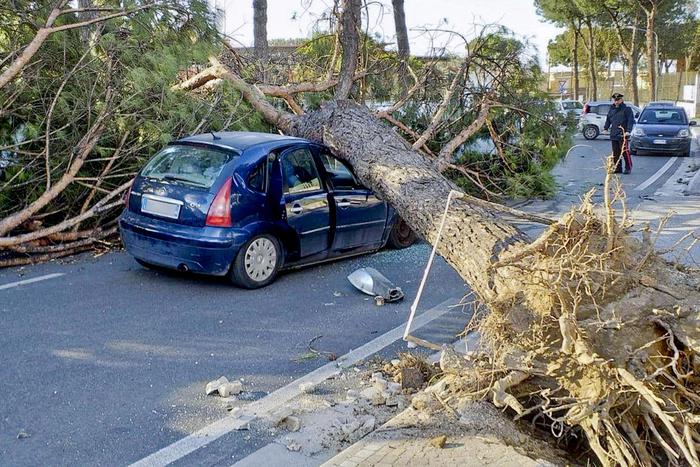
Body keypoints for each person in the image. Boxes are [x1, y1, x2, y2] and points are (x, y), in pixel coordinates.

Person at [603, 93, 635, 174]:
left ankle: (628, 167)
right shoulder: (612, 109)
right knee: (616, 152)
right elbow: (608, 119)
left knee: (625, 152)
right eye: (615, 100)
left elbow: (630, 121)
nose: (616, 102)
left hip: (623, 134)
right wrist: (606, 128)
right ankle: (617, 167)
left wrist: (628, 131)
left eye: (618, 100)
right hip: (614, 133)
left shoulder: (626, 109)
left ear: (621, 100)